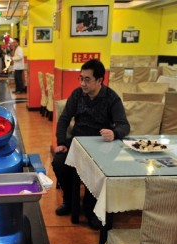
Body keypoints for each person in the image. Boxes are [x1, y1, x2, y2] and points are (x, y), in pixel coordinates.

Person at [52, 59, 130, 229]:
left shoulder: (111, 98)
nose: (82, 83)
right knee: (58, 162)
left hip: (101, 146)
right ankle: (70, 200)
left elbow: (124, 125)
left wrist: (114, 133)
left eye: (87, 79)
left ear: (100, 80)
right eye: (81, 78)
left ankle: (91, 207)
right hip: (77, 142)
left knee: (97, 168)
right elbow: (64, 119)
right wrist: (61, 142)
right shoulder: (77, 94)